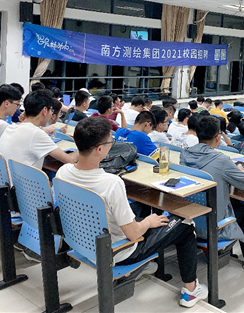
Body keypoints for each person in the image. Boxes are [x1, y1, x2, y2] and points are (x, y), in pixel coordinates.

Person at [55, 117, 208, 307]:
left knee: (140, 211)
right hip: (117, 252)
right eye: (110, 142)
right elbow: (134, 234)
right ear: (99, 149)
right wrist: (148, 222)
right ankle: (191, 291)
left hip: (82, 243)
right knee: (185, 223)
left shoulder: (63, 172)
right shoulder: (111, 183)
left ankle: (145, 266)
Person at [180, 116, 244, 270]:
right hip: (212, 224)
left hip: (190, 217)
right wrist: (240, 170)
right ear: (217, 137)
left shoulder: (185, 154)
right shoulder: (222, 160)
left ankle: (208, 249)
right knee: (241, 211)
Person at [0, 90, 79, 170]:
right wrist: (84, 148)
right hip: (25, 179)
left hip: (5, 177)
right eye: (51, 110)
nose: (51, 114)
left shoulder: (11, 127)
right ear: (44, 110)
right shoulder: (37, 134)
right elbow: (70, 160)